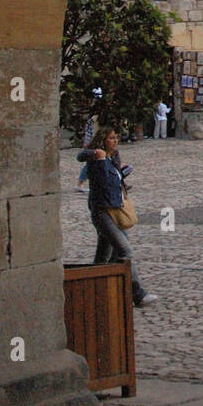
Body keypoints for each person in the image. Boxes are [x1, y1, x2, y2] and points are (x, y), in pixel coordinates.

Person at [77, 126, 158, 307]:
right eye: (111, 138)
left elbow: (115, 180)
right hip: (103, 211)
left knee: (103, 256)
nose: (115, 141)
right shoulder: (97, 160)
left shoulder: (113, 158)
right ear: (103, 140)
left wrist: (121, 172)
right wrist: (99, 157)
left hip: (115, 209)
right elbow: (83, 159)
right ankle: (137, 293)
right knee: (125, 250)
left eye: (116, 137)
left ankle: (95, 289)